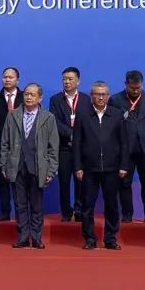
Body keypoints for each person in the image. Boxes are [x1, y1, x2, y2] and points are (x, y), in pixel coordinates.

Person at [1, 83, 59, 249]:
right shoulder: (12, 116)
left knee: (36, 206)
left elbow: (53, 147)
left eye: (32, 95)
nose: (28, 97)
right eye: (26, 94)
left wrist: (51, 170)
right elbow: (5, 143)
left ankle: (36, 238)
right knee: (20, 205)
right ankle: (23, 237)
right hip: (16, 167)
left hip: (38, 168)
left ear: (40, 98)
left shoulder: (48, 118)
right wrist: (4, 166)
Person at [73, 82, 130, 249]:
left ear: (108, 96)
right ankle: (90, 239)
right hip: (89, 169)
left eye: (103, 94)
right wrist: (78, 166)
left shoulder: (117, 115)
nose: (100, 97)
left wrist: (124, 165)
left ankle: (110, 239)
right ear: (91, 96)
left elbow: (124, 143)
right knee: (87, 206)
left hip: (112, 168)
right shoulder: (83, 114)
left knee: (112, 205)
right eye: (97, 94)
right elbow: (77, 143)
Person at [110, 70, 145, 223]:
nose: (136, 91)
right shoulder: (115, 100)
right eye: (132, 88)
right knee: (124, 182)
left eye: (138, 88)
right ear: (126, 84)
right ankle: (127, 214)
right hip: (125, 149)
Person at [49, 67, 88, 222]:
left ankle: (79, 211)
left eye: (70, 79)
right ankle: (66, 212)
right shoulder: (55, 99)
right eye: (64, 79)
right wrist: (70, 134)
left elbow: (88, 121)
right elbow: (54, 121)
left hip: (82, 148)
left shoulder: (86, 99)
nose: (67, 82)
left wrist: (78, 136)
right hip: (64, 147)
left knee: (81, 181)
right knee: (64, 181)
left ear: (78, 81)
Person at [0, 67, 25, 221]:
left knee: (20, 177)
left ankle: (20, 211)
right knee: (2, 175)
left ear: (17, 80)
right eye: (5, 77)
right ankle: (5, 211)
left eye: (10, 77)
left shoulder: (25, 97)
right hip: (1, 140)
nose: (7, 79)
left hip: (21, 141)